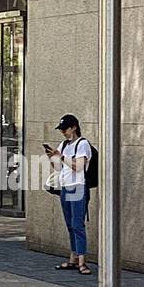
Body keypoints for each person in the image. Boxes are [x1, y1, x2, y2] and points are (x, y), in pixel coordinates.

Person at [46, 114, 93, 275]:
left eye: (65, 129)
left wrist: (61, 157)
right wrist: (52, 157)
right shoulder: (64, 144)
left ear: (74, 127)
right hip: (65, 186)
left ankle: (82, 261)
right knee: (70, 224)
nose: (63, 132)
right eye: (61, 129)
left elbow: (78, 167)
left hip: (78, 187)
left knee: (78, 224)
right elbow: (58, 167)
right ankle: (73, 258)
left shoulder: (82, 144)